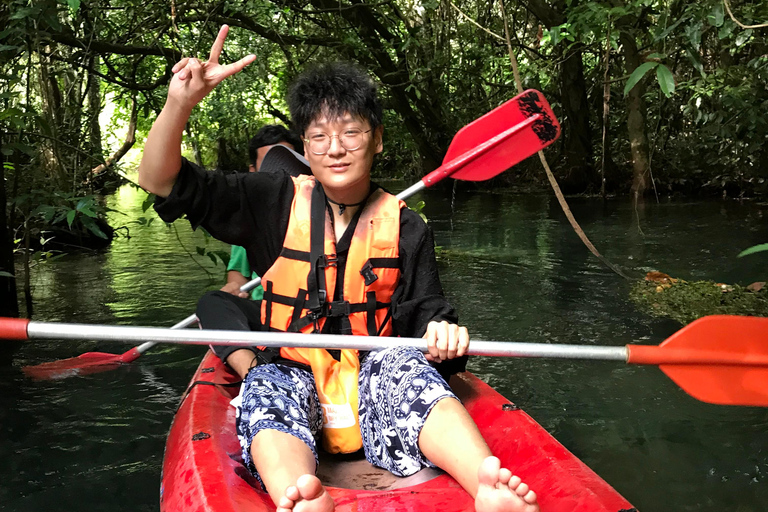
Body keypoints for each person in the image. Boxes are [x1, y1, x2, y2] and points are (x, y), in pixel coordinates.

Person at [138, 25, 539, 512]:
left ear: (378, 141)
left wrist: (444, 335)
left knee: (405, 367)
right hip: (295, 371)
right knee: (266, 385)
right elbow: (160, 181)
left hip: (373, 379)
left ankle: (485, 486)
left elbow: (426, 314)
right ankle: (300, 497)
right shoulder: (271, 200)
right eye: (319, 136)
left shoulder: (408, 227)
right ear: (305, 149)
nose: (335, 147)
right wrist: (179, 103)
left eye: (351, 132)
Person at [221, 124, 307, 300]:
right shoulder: (250, 218)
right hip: (265, 308)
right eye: (271, 166)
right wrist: (235, 287)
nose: (280, 176)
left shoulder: (324, 206)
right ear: (253, 172)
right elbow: (238, 273)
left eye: (286, 165)